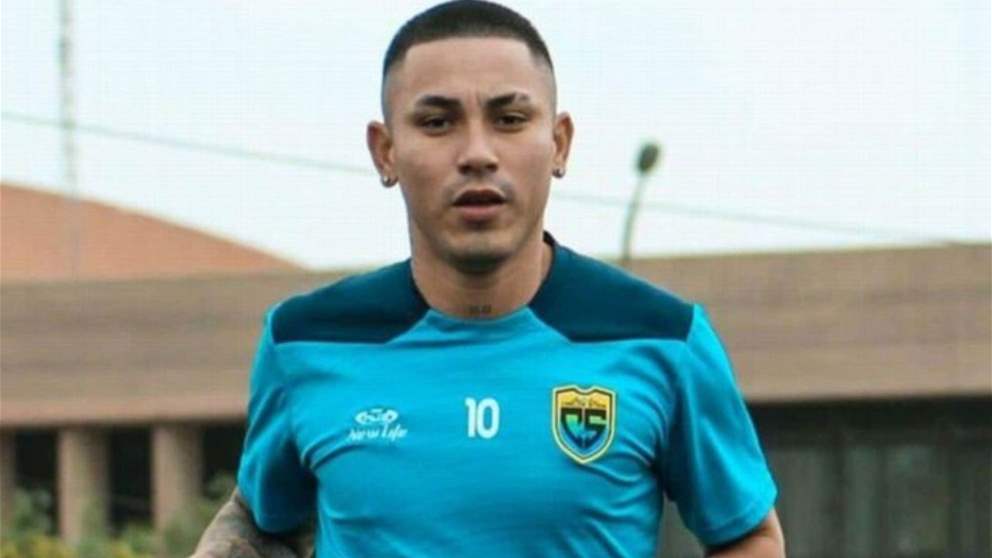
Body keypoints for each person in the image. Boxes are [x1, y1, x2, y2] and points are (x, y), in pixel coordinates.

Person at [192, 1, 785, 556]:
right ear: (385, 151)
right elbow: (260, 520)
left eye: (509, 119)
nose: (477, 152)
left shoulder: (665, 340)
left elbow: (747, 534)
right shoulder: (304, 343)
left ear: (558, 143)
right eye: (437, 122)